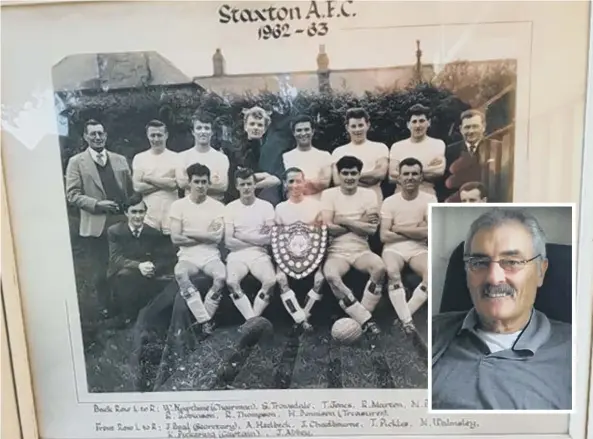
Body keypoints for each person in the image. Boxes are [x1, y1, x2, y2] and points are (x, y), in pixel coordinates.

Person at [432, 209, 571, 410]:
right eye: (479, 263)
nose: (493, 278)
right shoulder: (432, 334)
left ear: (541, 271)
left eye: (512, 262)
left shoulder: (578, 354)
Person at [65, 119, 133, 315]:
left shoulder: (119, 159)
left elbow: (129, 190)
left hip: (120, 222)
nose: (97, 137)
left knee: (122, 266)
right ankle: (107, 309)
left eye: (100, 133)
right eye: (93, 134)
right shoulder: (77, 162)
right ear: (85, 137)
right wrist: (97, 204)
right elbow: (72, 194)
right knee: (100, 270)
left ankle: (126, 307)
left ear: (106, 135)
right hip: (96, 224)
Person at [322, 155, 385, 335]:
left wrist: (342, 220)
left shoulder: (368, 194)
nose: (349, 177)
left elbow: (372, 230)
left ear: (359, 175)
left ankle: (360, 318)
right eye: (345, 173)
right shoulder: (329, 194)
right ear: (339, 174)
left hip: (361, 249)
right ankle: (366, 320)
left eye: (353, 173)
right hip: (336, 251)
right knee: (332, 275)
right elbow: (329, 228)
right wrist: (359, 222)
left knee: (379, 267)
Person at [169, 163, 226, 336]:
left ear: (209, 183)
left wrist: (190, 233)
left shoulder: (217, 207)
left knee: (221, 277)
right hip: (188, 256)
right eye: (197, 182)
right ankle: (205, 322)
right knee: (180, 273)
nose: (200, 186)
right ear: (189, 183)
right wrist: (204, 235)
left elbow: (216, 238)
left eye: (204, 182)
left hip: (210, 255)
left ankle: (202, 322)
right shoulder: (178, 206)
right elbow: (175, 238)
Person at [380, 158, 435, 334]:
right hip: (393, 248)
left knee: (431, 274)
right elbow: (384, 235)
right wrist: (416, 229)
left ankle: (404, 317)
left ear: (421, 177)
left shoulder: (430, 198)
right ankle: (407, 322)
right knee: (392, 272)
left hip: (418, 248)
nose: (410, 177)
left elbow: (429, 232)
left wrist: (398, 228)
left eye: (414, 174)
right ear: (399, 178)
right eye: (406, 174)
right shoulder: (390, 201)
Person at [106, 193, 176, 326]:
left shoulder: (153, 233)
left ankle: (148, 315)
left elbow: (164, 257)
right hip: (123, 271)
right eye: (134, 212)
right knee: (125, 276)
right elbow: (116, 258)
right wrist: (139, 266)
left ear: (145, 213)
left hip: (147, 272)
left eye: (141, 212)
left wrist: (152, 267)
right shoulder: (115, 231)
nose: (138, 216)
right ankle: (127, 315)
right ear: (126, 213)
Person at [274, 167, 326, 331]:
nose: (295, 185)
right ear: (285, 184)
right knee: (281, 279)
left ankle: (304, 316)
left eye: (298, 181)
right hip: (287, 258)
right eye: (291, 181)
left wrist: (320, 268)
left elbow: (321, 239)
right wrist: (279, 267)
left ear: (304, 183)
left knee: (319, 280)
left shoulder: (316, 206)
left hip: (313, 257)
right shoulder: (280, 208)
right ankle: (301, 318)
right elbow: (277, 241)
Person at [224, 167, 277, 321]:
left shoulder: (266, 206)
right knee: (232, 282)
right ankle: (252, 321)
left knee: (270, 281)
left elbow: (270, 238)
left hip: (259, 254)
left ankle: (251, 321)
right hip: (237, 256)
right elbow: (228, 241)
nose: (246, 188)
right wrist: (256, 239)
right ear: (237, 186)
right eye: (242, 184)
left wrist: (242, 236)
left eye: (249, 184)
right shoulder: (230, 208)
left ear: (255, 185)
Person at [440, 109, 511, 203]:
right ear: (461, 129)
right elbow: (443, 185)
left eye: (475, 126)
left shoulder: (498, 148)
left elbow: (505, 181)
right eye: (467, 127)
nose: (471, 131)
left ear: (484, 127)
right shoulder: (449, 151)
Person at [132, 120, 181, 234]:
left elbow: (175, 184)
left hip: (170, 215)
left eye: (159, 135)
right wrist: (165, 183)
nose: (156, 139)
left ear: (166, 135)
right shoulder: (140, 158)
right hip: (148, 217)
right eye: (152, 135)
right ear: (147, 136)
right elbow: (138, 187)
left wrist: (148, 178)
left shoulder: (177, 158)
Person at [331, 107, 389, 203]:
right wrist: (369, 180)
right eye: (353, 126)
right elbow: (337, 181)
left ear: (368, 125)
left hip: (373, 201)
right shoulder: (338, 152)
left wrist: (348, 179)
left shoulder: (380, 148)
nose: (357, 129)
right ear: (347, 128)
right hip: (346, 202)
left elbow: (380, 173)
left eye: (361, 125)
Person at [389, 104, 446, 196]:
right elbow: (391, 176)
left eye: (422, 121)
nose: (418, 125)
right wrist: (426, 170)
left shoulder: (437, 144)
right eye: (414, 122)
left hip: (427, 195)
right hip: (401, 196)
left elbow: (439, 172)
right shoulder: (397, 146)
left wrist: (404, 172)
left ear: (429, 122)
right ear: (408, 125)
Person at [177, 111, 229, 202]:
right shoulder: (183, 157)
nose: (203, 132)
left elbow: (223, 186)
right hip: (190, 207)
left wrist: (192, 184)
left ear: (212, 132)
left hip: (214, 207)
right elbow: (181, 183)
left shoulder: (221, 158)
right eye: (199, 128)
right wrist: (212, 182)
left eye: (207, 128)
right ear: (193, 132)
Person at [282, 115, 332, 200]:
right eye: (299, 130)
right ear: (294, 133)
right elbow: (285, 188)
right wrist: (314, 182)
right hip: (295, 207)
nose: (303, 133)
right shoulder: (286, 157)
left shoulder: (325, 155)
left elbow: (324, 184)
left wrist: (296, 184)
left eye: (306, 129)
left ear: (312, 131)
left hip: (318, 206)